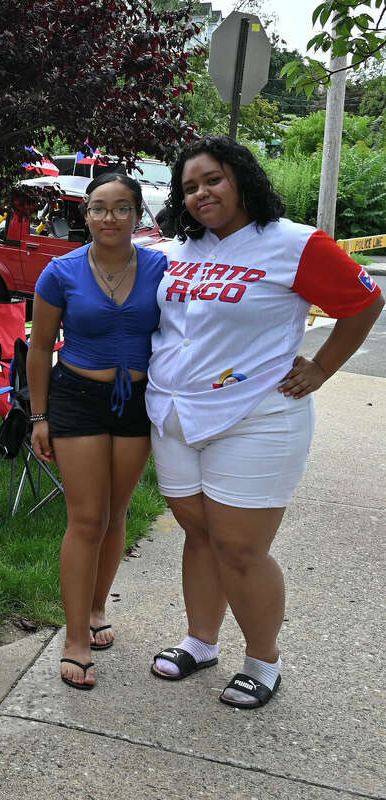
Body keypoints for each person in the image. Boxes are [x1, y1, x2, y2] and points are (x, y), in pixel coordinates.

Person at [148, 135, 382, 708]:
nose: (201, 193)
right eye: (190, 186)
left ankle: (263, 660)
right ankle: (201, 641)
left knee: (240, 548)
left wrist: (322, 367)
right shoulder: (181, 250)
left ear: (242, 179)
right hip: (175, 414)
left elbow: (365, 300)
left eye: (213, 179)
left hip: (258, 417)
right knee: (198, 534)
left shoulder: (293, 244)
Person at [27, 173, 168, 690]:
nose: (109, 217)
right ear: (85, 215)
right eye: (99, 208)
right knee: (86, 517)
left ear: (137, 215)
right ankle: (75, 639)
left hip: (137, 403)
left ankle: (95, 606)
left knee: (115, 514)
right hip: (78, 399)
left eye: (121, 208)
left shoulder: (161, 266)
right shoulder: (59, 272)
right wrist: (38, 417)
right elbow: (39, 348)